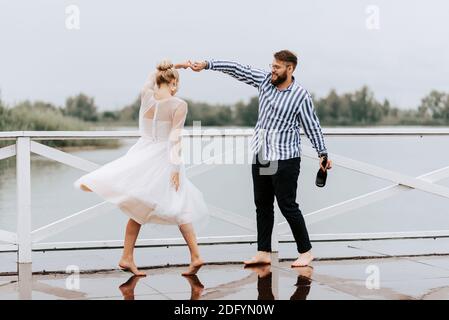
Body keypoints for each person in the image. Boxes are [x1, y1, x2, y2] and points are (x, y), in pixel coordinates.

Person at [190, 50, 332, 267]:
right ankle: (263, 252)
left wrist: (322, 153)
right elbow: (237, 69)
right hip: (263, 155)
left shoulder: (300, 95)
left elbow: (312, 126)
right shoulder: (265, 81)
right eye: (272, 65)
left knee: (287, 205)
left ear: (290, 69)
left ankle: (306, 251)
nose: (272, 70)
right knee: (262, 205)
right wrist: (208, 64)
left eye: (277, 67)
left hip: (286, 157)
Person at [74, 60, 209, 276]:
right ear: (173, 83)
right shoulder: (178, 104)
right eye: (177, 83)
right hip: (164, 159)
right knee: (178, 204)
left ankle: (129, 257)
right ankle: (193, 256)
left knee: (141, 206)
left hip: (142, 155)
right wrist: (175, 168)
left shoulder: (146, 97)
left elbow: (149, 79)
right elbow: (175, 139)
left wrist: (170, 65)